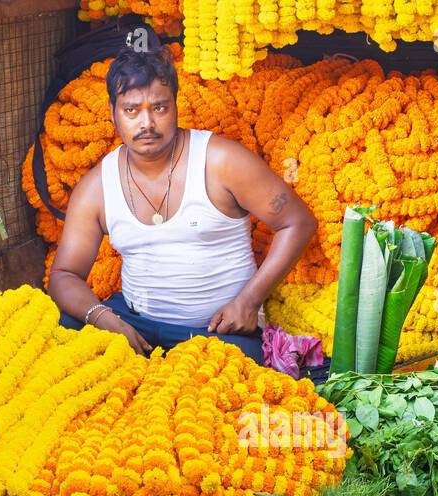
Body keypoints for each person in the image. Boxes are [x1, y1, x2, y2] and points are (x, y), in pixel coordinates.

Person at [48, 47, 316, 363]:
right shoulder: (97, 186)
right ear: (113, 112)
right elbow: (64, 274)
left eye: (159, 108)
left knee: (231, 386)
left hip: (218, 332)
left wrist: (248, 301)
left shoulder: (221, 161)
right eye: (131, 111)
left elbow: (298, 222)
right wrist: (101, 316)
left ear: (175, 106)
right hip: (134, 324)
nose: (146, 123)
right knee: (61, 342)